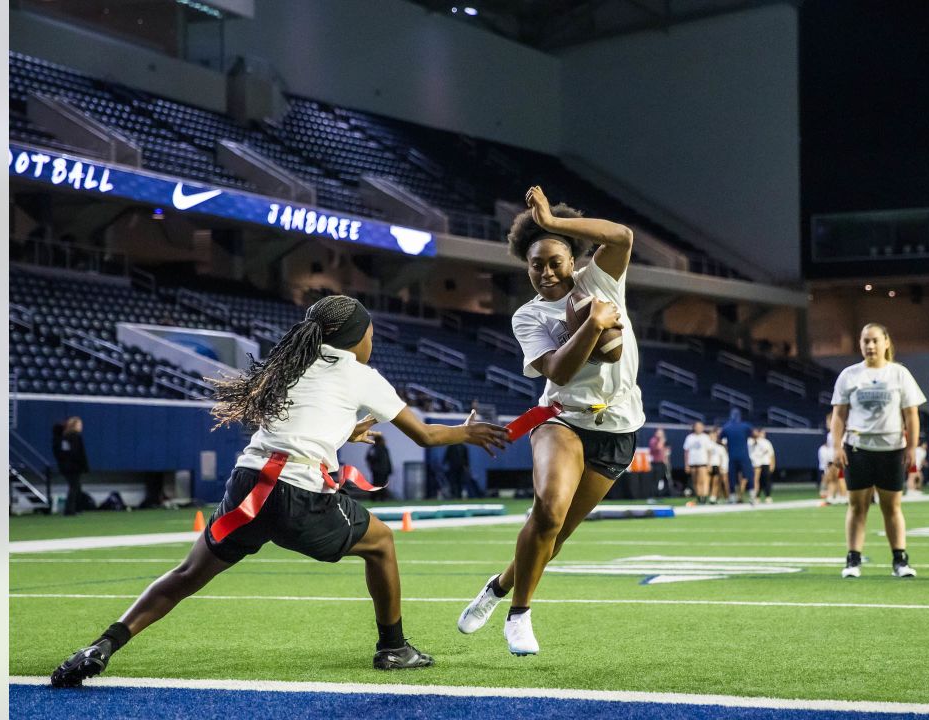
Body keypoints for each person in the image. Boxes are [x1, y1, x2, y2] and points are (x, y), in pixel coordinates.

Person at [49, 296, 509, 687]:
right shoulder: (361, 375)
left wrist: (342, 433)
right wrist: (466, 433)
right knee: (382, 544)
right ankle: (393, 648)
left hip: (248, 483)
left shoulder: (289, 362)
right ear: (355, 337)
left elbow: (296, 422)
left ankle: (103, 644)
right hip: (297, 491)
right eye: (370, 333)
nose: (373, 341)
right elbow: (426, 436)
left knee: (187, 574)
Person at [456, 185, 643, 656]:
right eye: (536, 264)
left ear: (573, 259)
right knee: (549, 510)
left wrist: (554, 223)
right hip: (562, 419)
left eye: (555, 260)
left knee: (556, 533)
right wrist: (595, 325)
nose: (545, 272)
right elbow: (558, 369)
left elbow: (621, 234)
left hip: (619, 425)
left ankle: (496, 588)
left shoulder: (599, 281)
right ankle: (519, 615)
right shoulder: (528, 315)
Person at [830, 323, 926, 579]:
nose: (870, 346)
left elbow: (911, 414)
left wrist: (912, 447)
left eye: (875, 340)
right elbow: (839, 415)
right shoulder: (849, 375)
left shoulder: (899, 374)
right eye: (865, 341)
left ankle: (900, 559)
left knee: (892, 506)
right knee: (857, 506)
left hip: (891, 448)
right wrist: (836, 446)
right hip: (858, 447)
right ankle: (853, 559)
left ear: (886, 342)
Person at [53, 417, 89, 516]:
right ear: (75, 425)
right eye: (79, 424)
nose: (81, 426)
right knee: (74, 487)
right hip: (74, 466)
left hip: (66, 466)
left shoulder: (65, 437)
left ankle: (77, 508)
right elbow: (78, 453)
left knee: (76, 487)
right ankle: (70, 510)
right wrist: (83, 465)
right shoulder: (75, 437)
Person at [720, 409, 754, 504]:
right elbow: (754, 434)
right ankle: (752, 495)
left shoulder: (726, 427)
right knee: (749, 475)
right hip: (744, 455)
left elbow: (719, 438)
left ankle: (732, 496)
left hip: (732, 456)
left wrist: (725, 446)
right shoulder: (745, 426)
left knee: (732, 477)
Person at [683, 421, 712, 502]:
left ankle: (704, 496)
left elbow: (709, 451)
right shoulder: (689, 437)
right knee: (695, 481)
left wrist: (709, 464)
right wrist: (686, 464)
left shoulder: (705, 437)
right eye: (697, 426)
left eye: (700, 426)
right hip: (693, 462)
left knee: (703, 480)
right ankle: (699, 496)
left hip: (703, 462)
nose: (698, 428)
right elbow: (686, 452)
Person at [748, 427, 776, 504]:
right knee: (757, 480)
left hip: (765, 463)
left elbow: (771, 454)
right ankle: (756, 496)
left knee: (766, 480)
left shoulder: (766, 442)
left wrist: (772, 464)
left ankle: (768, 496)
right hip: (756, 464)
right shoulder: (750, 441)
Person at [648, 427, 674, 497]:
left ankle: (660, 494)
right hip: (655, 463)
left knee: (660, 480)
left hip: (662, 463)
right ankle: (652, 496)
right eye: (659, 433)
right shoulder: (653, 440)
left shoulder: (664, 441)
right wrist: (661, 441)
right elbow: (658, 448)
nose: (660, 434)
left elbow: (667, 452)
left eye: (661, 433)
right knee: (655, 480)